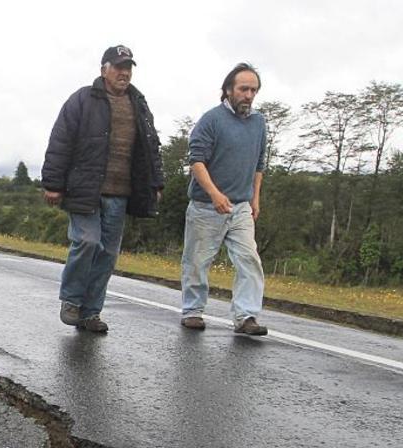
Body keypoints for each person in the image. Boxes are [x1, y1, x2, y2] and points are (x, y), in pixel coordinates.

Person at [42, 45, 164, 333]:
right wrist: (53, 184)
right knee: (87, 241)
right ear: (103, 70)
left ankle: (91, 312)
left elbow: (151, 147)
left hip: (121, 193)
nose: (124, 73)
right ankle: (72, 300)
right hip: (85, 188)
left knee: (107, 254)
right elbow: (60, 140)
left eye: (128, 68)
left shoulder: (139, 103)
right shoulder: (83, 99)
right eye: (118, 67)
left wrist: (156, 182)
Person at [180, 63, 269, 335]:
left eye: (253, 90)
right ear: (229, 89)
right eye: (244, 89)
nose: (249, 95)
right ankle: (193, 311)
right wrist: (214, 194)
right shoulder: (211, 120)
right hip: (206, 206)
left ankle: (246, 316)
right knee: (197, 261)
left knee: (249, 259)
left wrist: (255, 199)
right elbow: (196, 161)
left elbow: (259, 164)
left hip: (241, 207)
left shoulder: (259, 123)